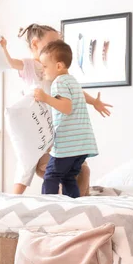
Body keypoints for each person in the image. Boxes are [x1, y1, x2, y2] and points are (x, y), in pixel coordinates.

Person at [0, 23, 111, 195]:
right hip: (38, 124)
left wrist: (94, 102)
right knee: (26, 165)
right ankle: (14, 198)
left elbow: (76, 92)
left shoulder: (57, 72)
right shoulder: (31, 65)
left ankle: (79, 198)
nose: (56, 47)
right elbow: (13, 63)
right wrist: (4, 49)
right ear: (35, 44)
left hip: (56, 126)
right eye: (52, 43)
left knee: (80, 169)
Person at [33, 40, 99, 198]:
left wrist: (45, 98)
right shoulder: (73, 81)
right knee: (68, 177)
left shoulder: (59, 82)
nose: (43, 71)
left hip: (68, 144)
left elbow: (66, 107)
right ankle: (72, 206)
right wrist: (96, 102)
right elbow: (78, 100)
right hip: (82, 144)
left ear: (58, 66)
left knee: (51, 175)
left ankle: (46, 206)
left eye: (45, 66)